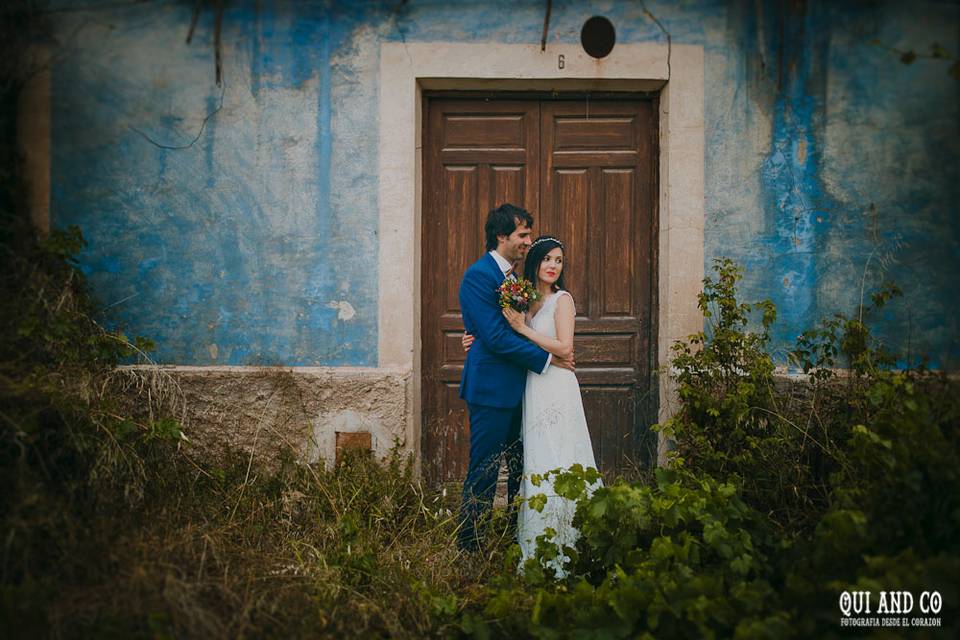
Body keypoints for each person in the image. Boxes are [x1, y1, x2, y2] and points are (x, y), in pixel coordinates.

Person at [463, 235, 600, 577]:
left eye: (559, 261)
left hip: (556, 387)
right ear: (535, 262)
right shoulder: (526, 299)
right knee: (534, 458)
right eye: (547, 259)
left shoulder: (562, 300)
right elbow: (502, 335)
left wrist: (524, 329)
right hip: (530, 388)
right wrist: (477, 338)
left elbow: (564, 348)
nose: (553, 266)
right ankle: (532, 534)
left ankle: (570, 533)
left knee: (559, 453)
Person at [456, 204, 575, 552]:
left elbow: (511, 328)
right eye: (523, 235)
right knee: (486, 470)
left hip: (521, 391)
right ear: (501, 236)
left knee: (523, 469)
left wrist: (474, 334)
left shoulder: (513, 280)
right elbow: (495, 336)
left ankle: (514, 538)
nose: (528, 242)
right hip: (491, 391)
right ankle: (470, 547)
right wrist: (549, 359)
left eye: (527, 235)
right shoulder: (480, 275)